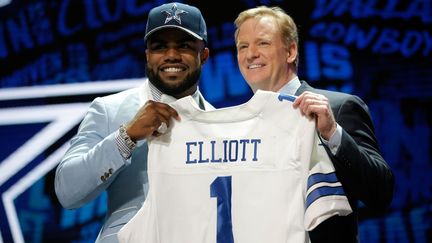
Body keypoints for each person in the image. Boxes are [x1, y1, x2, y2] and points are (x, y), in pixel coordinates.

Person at [234, 6, 394, 243]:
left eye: (263, 43)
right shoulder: (237, 126)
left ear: (290, 51)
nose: (250, 54)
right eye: (243, 47)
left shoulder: (339, 107)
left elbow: (381, 192)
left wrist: (332, 132)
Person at [54, 2, 212, 242]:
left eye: (184, 46)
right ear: (147, 55)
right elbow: (67, 191)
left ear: (204, 55)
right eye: (160, 47)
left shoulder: (219, 124)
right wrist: (125, 137)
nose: (171, 55)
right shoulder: (109, 110)